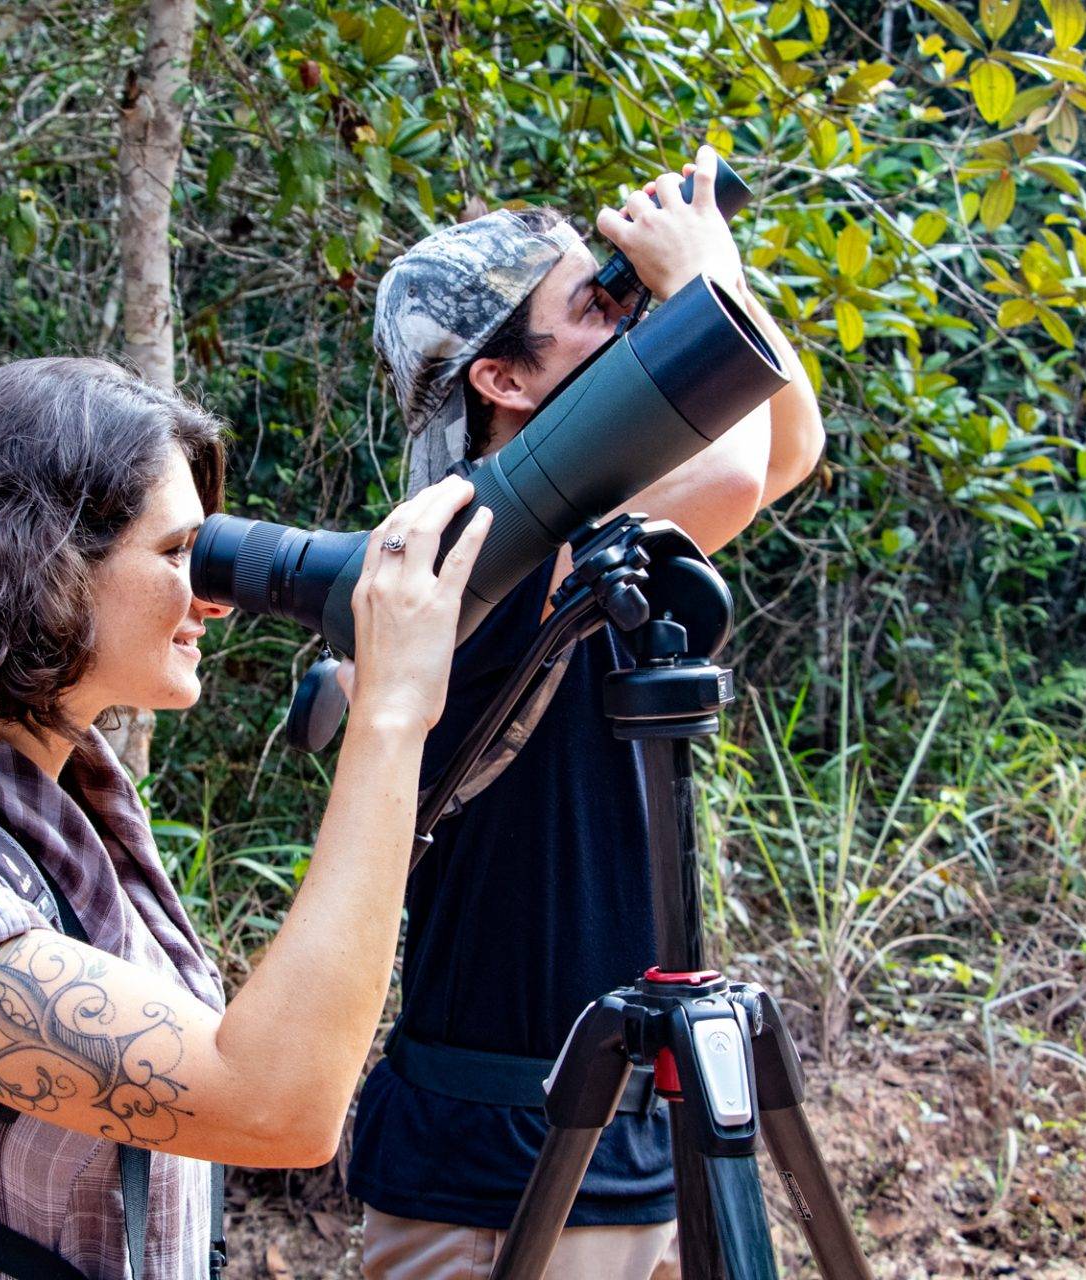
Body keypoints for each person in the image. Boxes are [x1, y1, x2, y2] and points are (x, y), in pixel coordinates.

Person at [0, 356, 493, 1279]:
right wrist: (390, 716)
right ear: (38, 564)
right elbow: (277, 1104)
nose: (214, 600)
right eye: (177, 553)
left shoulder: (63, 804)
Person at [347, 146, 825, 1279]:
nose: (633, 320)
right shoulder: (469, 547)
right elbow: (735, 475)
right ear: (502, 380)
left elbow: (786, 445)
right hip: (501, 1172)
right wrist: (702, 281)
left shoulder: (586, 521)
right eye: (596, 310)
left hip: (624, 1134)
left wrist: (716, 272)